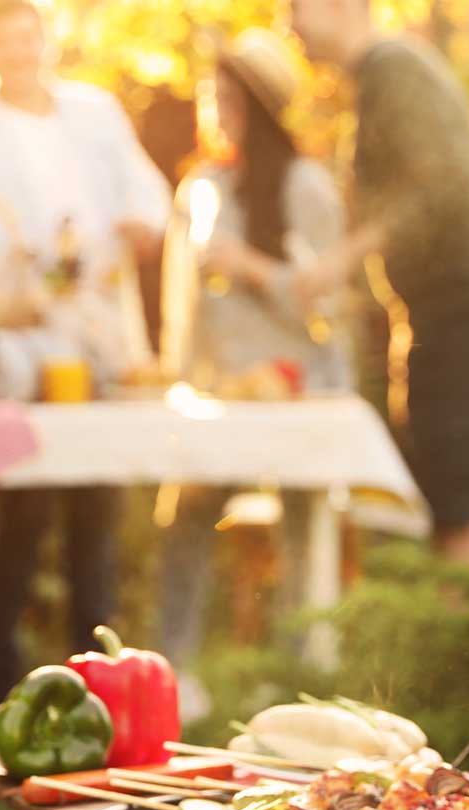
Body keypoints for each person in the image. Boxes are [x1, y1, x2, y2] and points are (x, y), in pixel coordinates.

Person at [0, 0, 171, 700]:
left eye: (29, 38)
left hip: (95, 336)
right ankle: (0, 675)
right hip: (16, 343)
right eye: (4, 42)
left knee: (96, 502)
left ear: (45, 41)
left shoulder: (95, 114)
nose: (20, 53)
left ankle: (95, 676)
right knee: (22, 503)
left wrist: (140, 226)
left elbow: (145, 193)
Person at [288, 0, 469, 569]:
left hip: (456, 315)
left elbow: (436, 188)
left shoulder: (391, 72)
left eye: (295, 6)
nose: (289, 24)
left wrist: (341, 259)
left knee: (456, 507)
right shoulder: (390, 74)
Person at [154, 29, 349, 694]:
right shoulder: (201, 187)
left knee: (301, 525)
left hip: (297, 389)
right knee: (185, 516)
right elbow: (184, 305)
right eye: (213, 94)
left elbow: (330, 309)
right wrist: (173, 373)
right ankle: (174, 666)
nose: (218, 107)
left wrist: (252, 270)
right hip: (221, 392)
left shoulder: (306, 187)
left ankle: (301, 669)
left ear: (264, 105)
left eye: (233, 96)